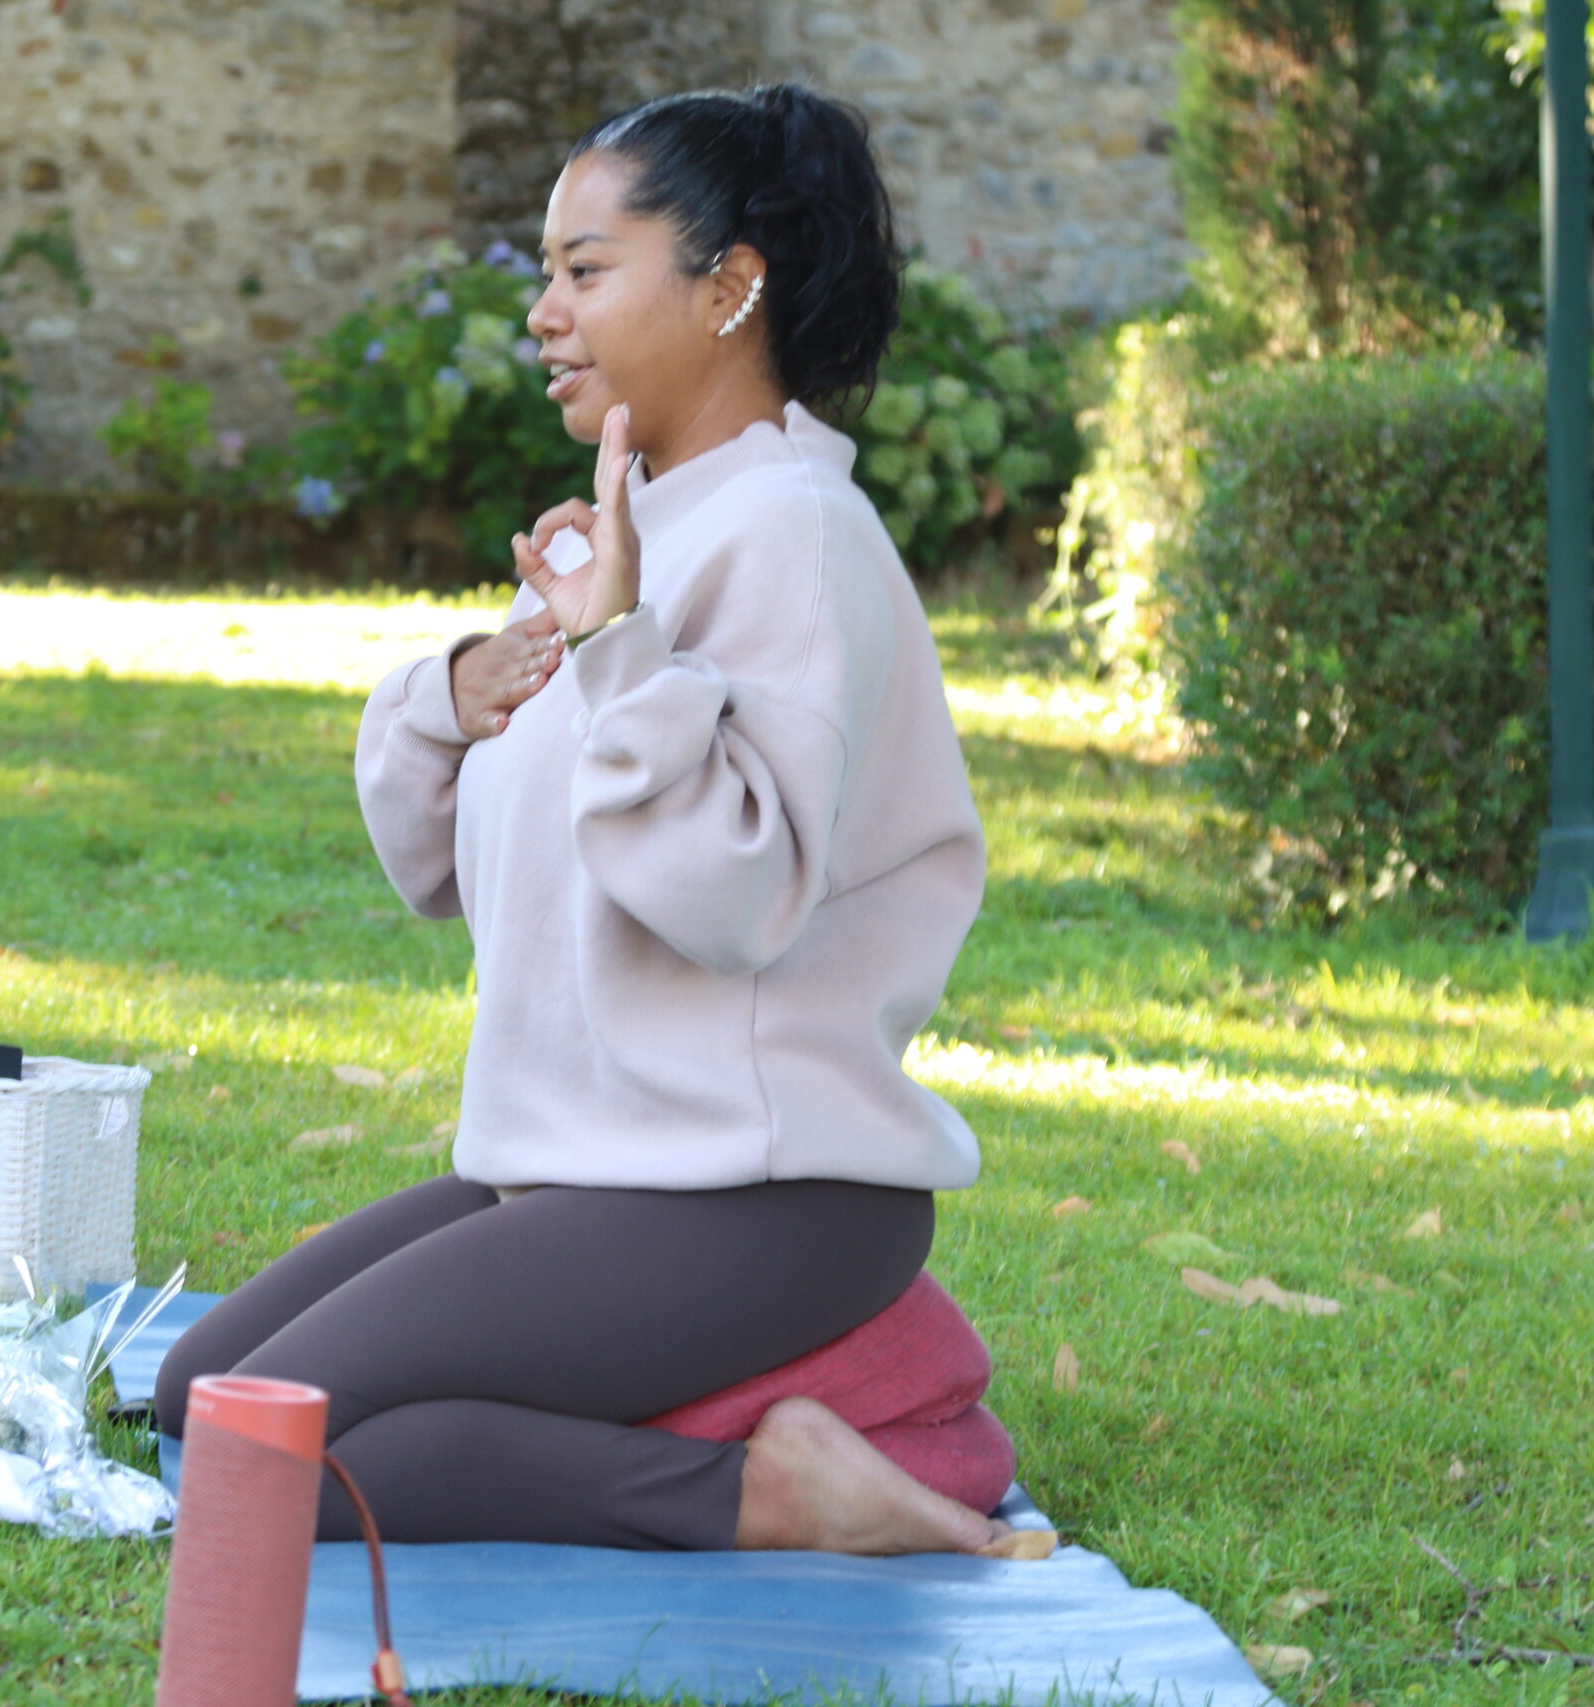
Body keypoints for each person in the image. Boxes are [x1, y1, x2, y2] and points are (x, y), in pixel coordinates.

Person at [156, 82, 1016, 1556]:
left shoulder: (799, 536)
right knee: (195, 1396)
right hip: (575, 1168)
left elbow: (736, 896)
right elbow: (443, 868)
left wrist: (618, 647)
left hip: (760, 1195)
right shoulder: (636, 524)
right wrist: (458, 694)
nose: (542, 313)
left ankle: (771, 1492)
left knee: (264, 1459)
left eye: (584, 270)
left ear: (730, 287)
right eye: (545, 273)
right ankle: (747, 1437)